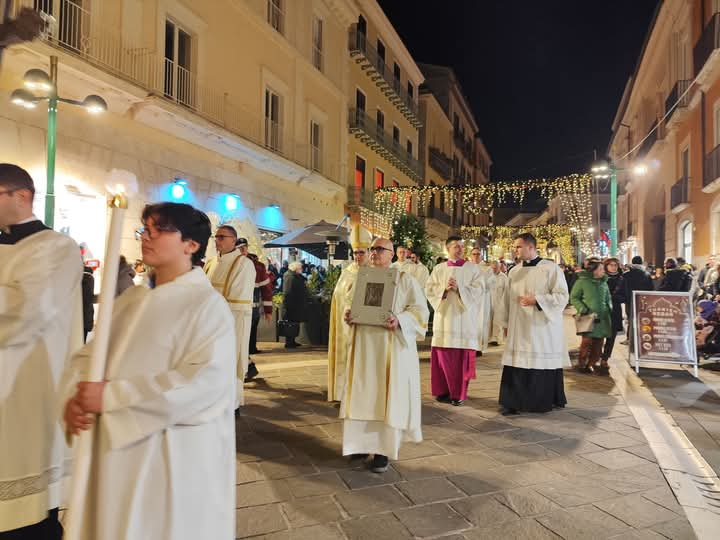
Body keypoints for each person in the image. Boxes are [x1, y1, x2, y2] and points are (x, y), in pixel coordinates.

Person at [62, 202, 236, 540]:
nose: (148, 236)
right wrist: (76, 396)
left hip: (169, 455)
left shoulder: (207, 306)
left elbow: (204, 384)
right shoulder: (131, 301)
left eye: (161, 230)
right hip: (113, 450)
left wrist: (111, 397)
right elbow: (89, 357)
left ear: (191, 245)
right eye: (146, 229)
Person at [0, 164, 83, 538]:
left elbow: (27, 311)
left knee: (27, 516)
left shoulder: (56, 247)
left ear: (22, 195)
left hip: (25, 386)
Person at [340, 238, 429, 472]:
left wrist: (400, 320)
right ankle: (359, 445)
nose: (374, 253)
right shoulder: (362, 278)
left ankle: (382, 451)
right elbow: (350, 306)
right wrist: (348, 316)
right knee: (362, 393)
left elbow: (420, 311)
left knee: (384, 396)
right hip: (364, 348)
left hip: (391, 348)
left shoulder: (405, 280)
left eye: (380, 249)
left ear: (392, 255)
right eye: (372, 249)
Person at [496, 233, 569, 414]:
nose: (515, 250)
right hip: (518, 326)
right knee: (516, 362)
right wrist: (505, 324)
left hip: (541, 327)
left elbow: (562, 296)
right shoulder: (514, 271)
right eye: (515, 247)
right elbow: (506, 299)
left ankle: (539, 401)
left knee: (538, 362)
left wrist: (537, 300)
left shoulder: (550, 269)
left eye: (518, 246)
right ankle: (512, 402)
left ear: (531, 247)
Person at [425, 236, 485, 406]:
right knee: (442, 359)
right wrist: (443, 290)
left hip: (463, 320)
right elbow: (429, 289)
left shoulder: (473, 269)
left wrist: (460, 290)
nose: (460, 249)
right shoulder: (439, 268)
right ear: (448, 249)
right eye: (456, 246)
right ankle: (442, 391)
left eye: (461, 246)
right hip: (444, 319)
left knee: (460, 361)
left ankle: (458, 394)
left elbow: (479, 289)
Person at [203, 229, 255, 406]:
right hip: (209, 323)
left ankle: (232, 404)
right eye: (215, 237)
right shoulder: (210, 263)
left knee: (230, 361)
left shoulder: (244, 264)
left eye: (221, 237)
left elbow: (239, 299)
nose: (217, 240)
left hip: (232, 322)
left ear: (233, 240)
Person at [327, 225, 372, 402]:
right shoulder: (347, 272)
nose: (358, 256)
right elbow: (338, 295)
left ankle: (360, 396)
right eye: (355, 253)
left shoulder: (374, 272)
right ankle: (343, 393)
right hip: (344, 324)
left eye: (361, 253)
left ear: (368, 253)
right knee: (345, 357)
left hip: (364, 325)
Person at [570, 259, 612, 374]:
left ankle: (592, 363)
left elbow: (608, 297)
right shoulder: (582, 281)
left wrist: (609, 307)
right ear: (593, 271)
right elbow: (574, 297)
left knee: (599, 342)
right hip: (588, 317)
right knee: (587, 342)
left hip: (602, 318)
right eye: (601, 269)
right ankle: (582, 363)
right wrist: (583, 309)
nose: (603, 271)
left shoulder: (604, 282)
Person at [247, 253, 273, 376]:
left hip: (251, 309)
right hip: (249, 309)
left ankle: (249, 366)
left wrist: (268, 310)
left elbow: (266, 289)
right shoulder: (258, 266)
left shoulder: (258, 267)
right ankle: (249, 364)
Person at [623, 256, 654, 350]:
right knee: (642, 319)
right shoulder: (647, 274)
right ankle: (643, 338)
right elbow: (651, 288)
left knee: (630, 319)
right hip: (643, 301)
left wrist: (625, 298)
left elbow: (623, 288)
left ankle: (629, 338)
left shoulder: (626, 275)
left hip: (629, 300)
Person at [468, 246, 494, 354]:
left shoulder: (487, 269)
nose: (476, 256)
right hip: (470, 299)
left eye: (478, 254)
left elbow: (491, 283)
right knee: (470, 322)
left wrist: (479, 284)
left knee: (481, 322)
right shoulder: (467, 268)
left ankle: (479, 347)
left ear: (481, 255)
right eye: (474, 254)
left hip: (483, 299)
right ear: (470, 256)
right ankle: (470, 346)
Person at [601, 258, 625, 367]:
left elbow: (625, 296)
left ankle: (605, 358)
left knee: (611, 336)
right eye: (611, 265)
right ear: (606, 266)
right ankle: (597, 355)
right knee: (599, 335)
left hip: (615, 310)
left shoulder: (622, 279)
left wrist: (613, 297)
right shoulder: (601, 278)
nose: (613, 267)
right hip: (602, 309)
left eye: (615, 265)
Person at [282, 261, 308, 348]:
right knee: (290, 323)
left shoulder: (295, 276)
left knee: (294, 323)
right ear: (296, 269)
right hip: (291, 304)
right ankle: (289, 342)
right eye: (300, 268)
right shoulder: (290, 277)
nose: (302, 270)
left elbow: (302, 280)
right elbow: (288, 292)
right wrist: (289, 305)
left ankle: (292, 341)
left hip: (296, 303)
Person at [488, 260, 509, 346]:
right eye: (492, 268)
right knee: (490, 320)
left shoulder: (504, 277)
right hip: (489, 302)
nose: (494, 270)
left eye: (495, 268)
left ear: (499, 267)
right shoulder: (488, 277)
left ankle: (497, 339)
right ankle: (490, 338)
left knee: (498, 321)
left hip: (499, 302)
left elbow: (506, 291)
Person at [82, 261, 95, 342]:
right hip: (87, 316)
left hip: (76, 316)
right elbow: (89, 298)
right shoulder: (90, 278)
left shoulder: (76, 278)